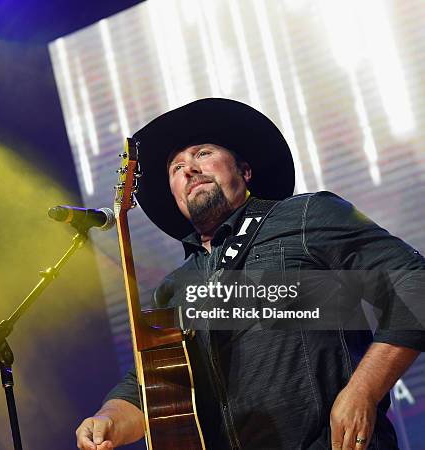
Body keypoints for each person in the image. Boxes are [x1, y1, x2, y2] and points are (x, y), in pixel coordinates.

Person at [75, 98, 425, 450]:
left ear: (245, 171)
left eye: (203, 153)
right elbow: (150, 388)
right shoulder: (174, 289)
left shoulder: (306, 214)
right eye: (175, 167)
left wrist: (362, 391)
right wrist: (107, 420)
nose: (188, 170)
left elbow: (415, 282)